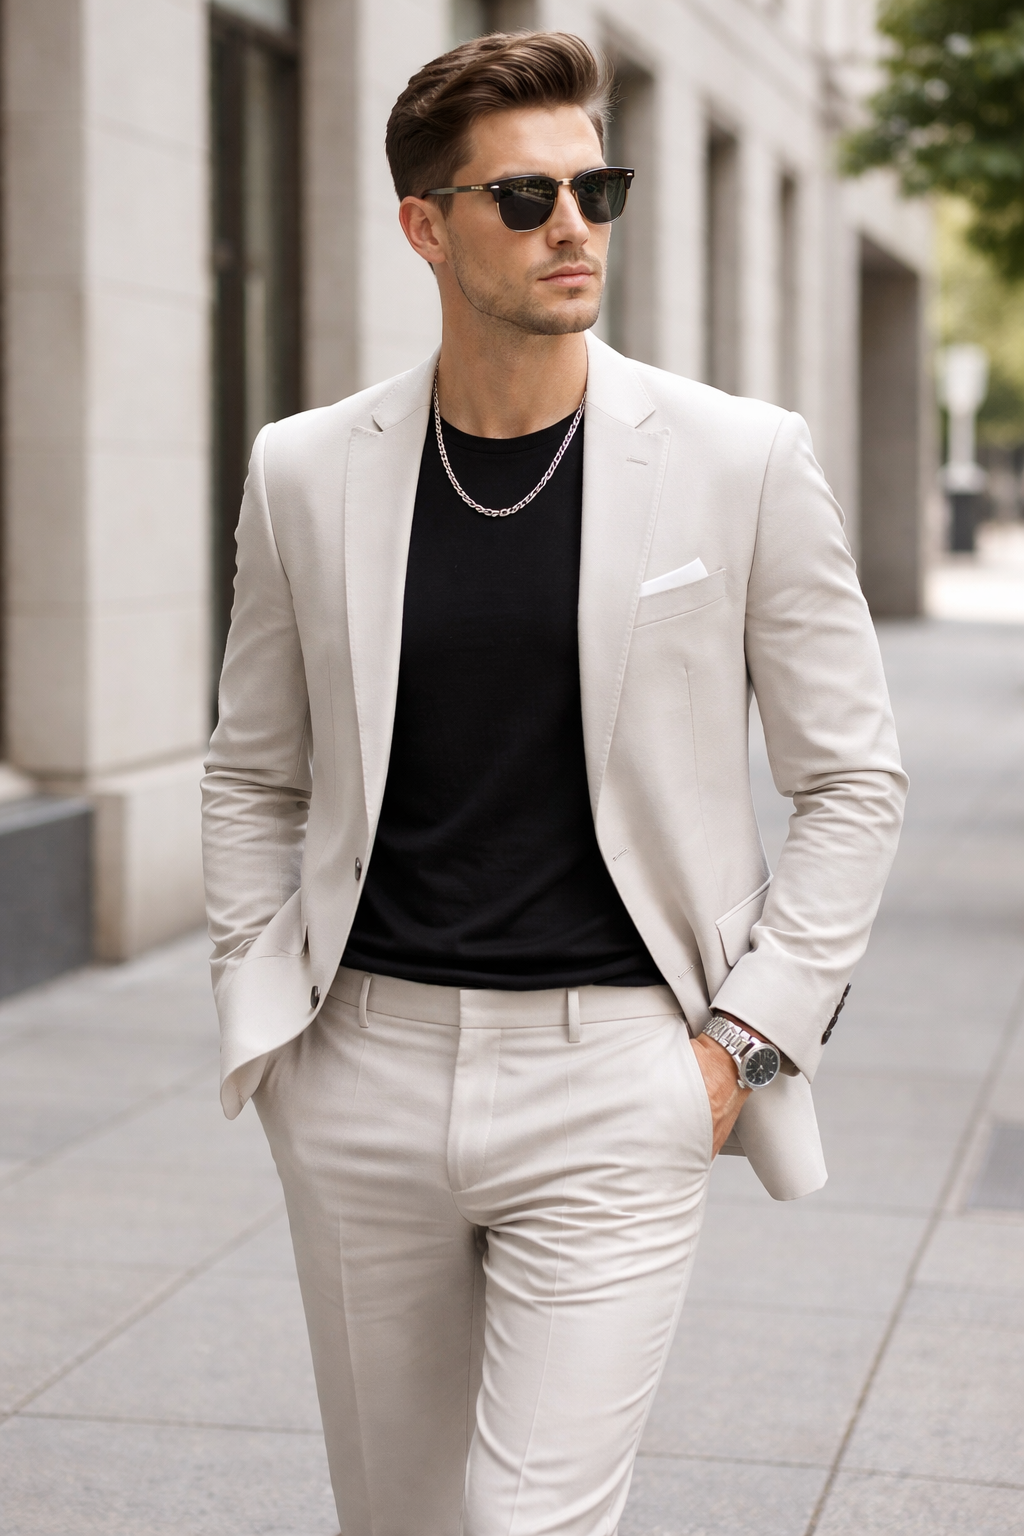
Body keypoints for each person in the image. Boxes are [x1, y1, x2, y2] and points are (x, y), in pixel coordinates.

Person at [201, 30, 907, 1536]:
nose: (572, 224)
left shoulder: (741, 460)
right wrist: (266, 1015)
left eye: (598, 186)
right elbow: (254, 771)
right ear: (426, 227)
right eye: (523, 200)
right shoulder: (306, 470)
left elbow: (851, 779)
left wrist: (743, 1047)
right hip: (360, 1068)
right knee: (398, 1519)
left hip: (620, 1081)